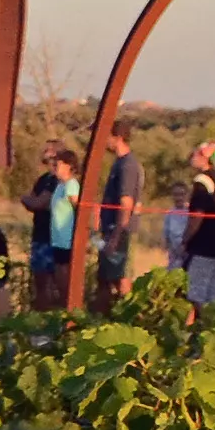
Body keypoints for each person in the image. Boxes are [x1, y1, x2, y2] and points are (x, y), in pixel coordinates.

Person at [182, 142, 215, 310]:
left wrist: (185, 239)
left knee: (194, 296)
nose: (192, 156)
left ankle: (193, 332)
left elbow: (197, 215)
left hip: (202, 247)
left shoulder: (202, 181)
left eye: (196, 153)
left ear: (205, 158)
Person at [92, 125, 141, 300]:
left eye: (106, 136)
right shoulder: (118, 163)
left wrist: (117, 235)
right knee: (106, 278)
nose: (104, 141)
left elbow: (126, 202)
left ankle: (125, 317)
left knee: (121, 277)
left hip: (119, 232)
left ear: (118, 137)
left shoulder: (128, 165)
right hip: (109, 230)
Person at [30, 155, 78, 313]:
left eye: (58, 163)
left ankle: (70, 311)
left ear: (68, 166)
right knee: (57, 277)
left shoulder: (71, 185)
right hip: (56, 239)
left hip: (67, 240)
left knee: (64, 279)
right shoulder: (59, 186)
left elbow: (78, 208)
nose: (55, 166)